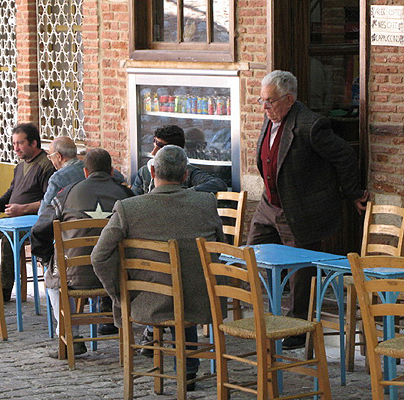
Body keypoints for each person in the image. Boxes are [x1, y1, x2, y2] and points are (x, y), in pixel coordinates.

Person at [248, 70, 368, 349]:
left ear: (289, 99)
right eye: (262, 101)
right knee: (252, 254)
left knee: (302, 271)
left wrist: (353, 193)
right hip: (270, 203)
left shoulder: (311, 125)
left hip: (300, 208)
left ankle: (296, 328)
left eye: (270, 101)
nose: (265, 108)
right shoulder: (271, 118)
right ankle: (274, 311)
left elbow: (345, 156)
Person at [91, 145, 224, 391]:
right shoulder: (206, 203)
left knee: (174, 294)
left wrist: (119, 294)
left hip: (148, 301)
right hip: (200, 300)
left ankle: (174, 367)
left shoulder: (128, 208)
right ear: (185, 175)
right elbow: (219, 248)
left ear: (151, 172)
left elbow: (99, 257)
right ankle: (189, 370)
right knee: (186, 288)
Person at [30, 148, 134, 357]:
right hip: (116, 275)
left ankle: (71, 335)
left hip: (73, 273)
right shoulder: (126, 195)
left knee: (53, 274)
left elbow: (39, 230)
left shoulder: (66, 194)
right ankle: (128, 332)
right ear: (112, 172)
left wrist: (46, 258)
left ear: (85, 172)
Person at [0, 123, 55, 300]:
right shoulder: (20, 166)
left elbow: (49, 201)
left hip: (31, 223)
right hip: (9, 219)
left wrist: (23, 208)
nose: (16, 148)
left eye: (20, 143)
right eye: (14, 143)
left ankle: (4, 289)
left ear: (34, 143)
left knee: (8, 238)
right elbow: (10, 193)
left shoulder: (46, 166)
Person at [38, 136, 125, 215]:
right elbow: (119, 177)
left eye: (50, 157)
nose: (50, 160)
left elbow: (43, 212)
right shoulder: (93, 166)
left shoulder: (58, 178)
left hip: (74, 227)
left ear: (58, 156)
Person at [131, 124, 227, 195]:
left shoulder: (189, 172)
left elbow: (218, 185)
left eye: (159, 148)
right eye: (154, 144)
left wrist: (182, 194)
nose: (153, 153)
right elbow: (132, 201)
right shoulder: (144, 172)